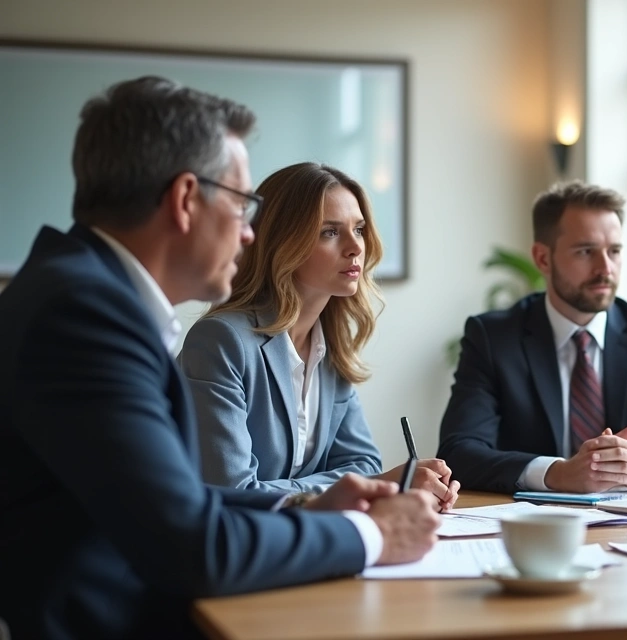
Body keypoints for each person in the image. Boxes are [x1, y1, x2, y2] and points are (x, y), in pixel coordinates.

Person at [0, 76, 441, 640]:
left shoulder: (85, 294)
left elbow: (183, 506)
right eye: (241, 204)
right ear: (186, 200)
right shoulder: (84, 317)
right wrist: (372, 536)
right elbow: (192, 545)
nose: (250, 234)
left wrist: (311, 510)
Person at [178, 162, 459, 510]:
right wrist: (370, 486)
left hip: (307, 546)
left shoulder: (331, 345)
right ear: (283, 243)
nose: (355, 247)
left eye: (358, 229)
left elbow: (363, 465)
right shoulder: (222, 342)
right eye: (329, 232)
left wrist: (364, 483)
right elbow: (233, 491)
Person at [438, 181, 627, 494]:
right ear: (543, 259)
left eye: (614, 251)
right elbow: (459, 451)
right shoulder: (494, 338)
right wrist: (555, 473)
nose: (605, 268)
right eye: (586, 251)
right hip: (532, 525)